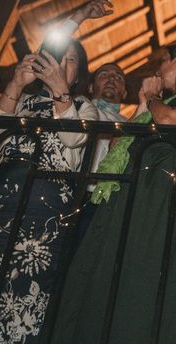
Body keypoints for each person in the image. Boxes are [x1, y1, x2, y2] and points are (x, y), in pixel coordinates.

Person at [51, 44, 176, 344]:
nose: (158, 69)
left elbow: (172, 121)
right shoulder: (154, 105)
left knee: (152, 278)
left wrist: (154, 98)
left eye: (163, 61)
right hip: (135, 194)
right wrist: (144, 104)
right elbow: (118, 146)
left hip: (168, 196)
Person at [0, 36, 97, 343]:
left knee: (28, 294)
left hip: (45, 220)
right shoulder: (22, 103)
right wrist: (15, 84)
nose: (60, 65)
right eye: (57, 58)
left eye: (70, 60)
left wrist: (60, 92)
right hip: (3, 205)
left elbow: (73, 141)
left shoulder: (83, 106)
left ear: (78, 74)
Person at [74, 62, 128, 241]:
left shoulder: (132, 123)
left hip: (112, 200)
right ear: (90, 87)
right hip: (79, 193)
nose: (112, 79)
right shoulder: (79, 108)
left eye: (119, 77)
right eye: (104, 74)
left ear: (125, 92)